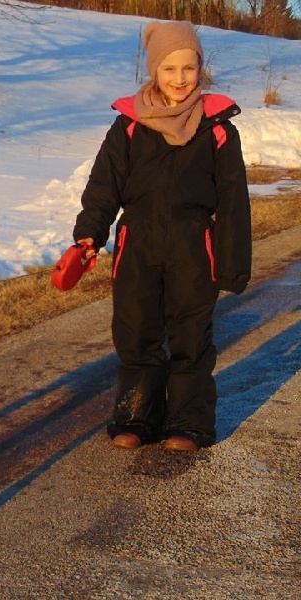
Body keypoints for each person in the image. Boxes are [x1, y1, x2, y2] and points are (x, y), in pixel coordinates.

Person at [72, 20, 251, 452]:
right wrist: (89, 234)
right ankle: (137, 416)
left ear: (199, 70)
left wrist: (231, 262)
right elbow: (104, 185)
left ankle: (188, 423)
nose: (179, 79)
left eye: (188, 68)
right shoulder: (130, 126)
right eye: (169, 69)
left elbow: (232, 201)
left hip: (193, 245)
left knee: (191, 336)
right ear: (155, 71)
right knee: (136, 331)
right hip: (137, 243)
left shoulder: (217, 128)